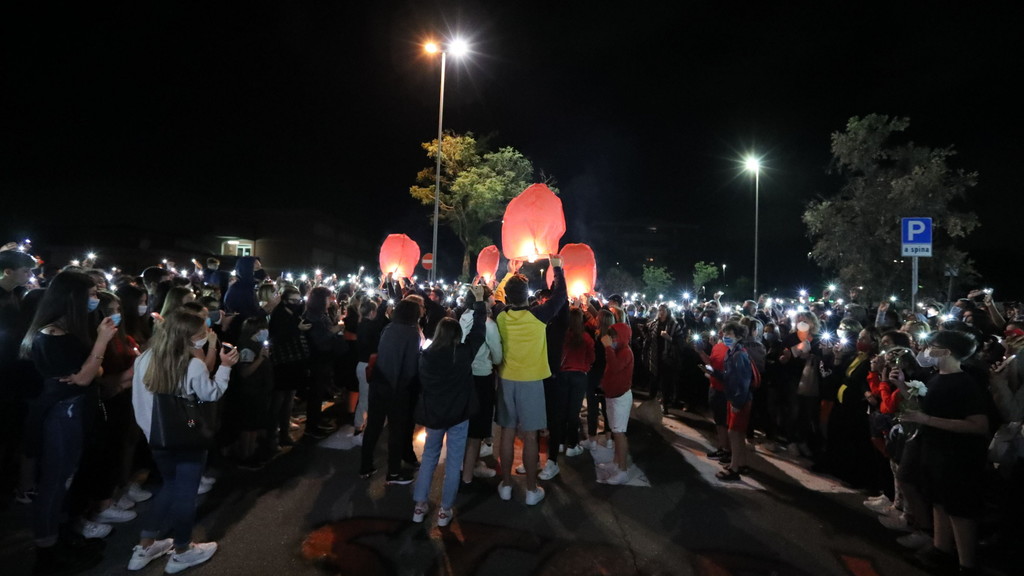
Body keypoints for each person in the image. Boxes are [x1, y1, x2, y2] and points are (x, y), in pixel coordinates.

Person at [21, 271, 117, 574]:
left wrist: (90, 367)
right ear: (72, 298)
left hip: (74, 411)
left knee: (66, 480)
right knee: (54, 484)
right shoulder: (51, 336)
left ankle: (63, 538)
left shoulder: (67, 331)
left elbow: (94, 373)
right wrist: (101, 342)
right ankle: (47, 553)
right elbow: (87, 375)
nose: (96, 300)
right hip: (61, 416)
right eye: (92, 294)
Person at [129, 309, 239, 573]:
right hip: (187, 435)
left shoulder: (144, 359)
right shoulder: (192, 364)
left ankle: (145, 546)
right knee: (186, 494)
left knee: (169, 486)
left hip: (156, 438)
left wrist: (149, 431)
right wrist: (225, 367)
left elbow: (138, 400)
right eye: (202, 333)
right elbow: (211, 394)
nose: (206, 335)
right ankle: (182, 550)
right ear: (188, 337)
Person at [888, 330, 990, 573]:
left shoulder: (964, 383)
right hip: (935, 450)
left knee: (959, 510)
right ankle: (940, 550)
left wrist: (927, 420)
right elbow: (924, 408)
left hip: (956, 456)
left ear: (947, 351)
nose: (926, 351)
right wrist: (900, 385)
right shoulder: (936, 377)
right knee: (939, 502)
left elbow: (979, 425)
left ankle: (966, 564)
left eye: (932, 346)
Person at [493, 255, 567, 505]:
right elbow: (560, 296)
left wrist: (508, 273)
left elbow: (497, 297)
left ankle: (505, 484)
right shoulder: (538, 315)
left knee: (507, 432)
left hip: (506, 380)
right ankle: (531, 490)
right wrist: (557, 269)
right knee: (531, 436)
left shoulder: (501, 315)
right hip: (532, 382)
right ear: (527, 295)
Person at [411, 286, 487, 525]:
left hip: (434, 414)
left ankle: (420, 505)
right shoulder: (462, 353)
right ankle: (445, 510)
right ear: (457, 336)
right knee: (454, 462)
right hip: (459, 414)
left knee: (429, 457)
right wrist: (479, 302)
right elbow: (479, 331)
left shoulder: (425, 356)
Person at [359, 297, 422, 484]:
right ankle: (394, 472)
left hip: (378, 382)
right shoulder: (412, 333)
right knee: (396, 430)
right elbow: (410, 368)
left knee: (373, 426)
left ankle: (365, 466)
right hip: (397, 387)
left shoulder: (389, 328)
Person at [458, 285, 503, 487]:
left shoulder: (463, 317)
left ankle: (469, 464)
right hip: (482, 377)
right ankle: (469, 475)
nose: (494, 299)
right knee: (477, 430)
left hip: (464, 376)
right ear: (483, 301)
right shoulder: (488, 324)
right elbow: (498, 356)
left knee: (467, 425)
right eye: (491, 296)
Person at [710, 321, 754, 481]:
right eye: (724, 334)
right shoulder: (732, 352)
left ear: (738, 336)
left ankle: (734, 468)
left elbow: (743, 381)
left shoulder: (738, 355)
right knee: (738, 433)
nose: (725, 337)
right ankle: (741, 464)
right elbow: (729, 377)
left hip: (739, 400)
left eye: (729, 334)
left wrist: (737, 403)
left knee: (734, 433)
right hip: (734, 398)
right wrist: (714, 372)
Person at [599, 316, 635, 485]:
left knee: (619, 434)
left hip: (620, 397)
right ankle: (615, 463)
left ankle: (622, 469)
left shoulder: (626, 352)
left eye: (614, 336)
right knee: (615, 432)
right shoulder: (619, 350)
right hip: (613, 396)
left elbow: (614, 367)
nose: (612, 340)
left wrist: (608, 348)